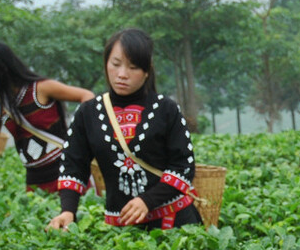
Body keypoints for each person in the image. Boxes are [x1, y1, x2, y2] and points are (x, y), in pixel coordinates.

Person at [47, 28, 202, 231]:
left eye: (133, 67)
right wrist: (68, 210)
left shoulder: (166, 109)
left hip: (175, 223)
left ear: (147, 71)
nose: (122, 74)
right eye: (116, 64)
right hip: (121, 227)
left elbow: (183, 168)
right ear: (106, 64)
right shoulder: (88, 113)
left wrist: (147, 200)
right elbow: (73, 164)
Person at [0, 42, 94, 196]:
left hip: (68, 172)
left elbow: (87, 96)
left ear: (1, 70)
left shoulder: (41, 89)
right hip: (35, 182)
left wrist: (80, 135)